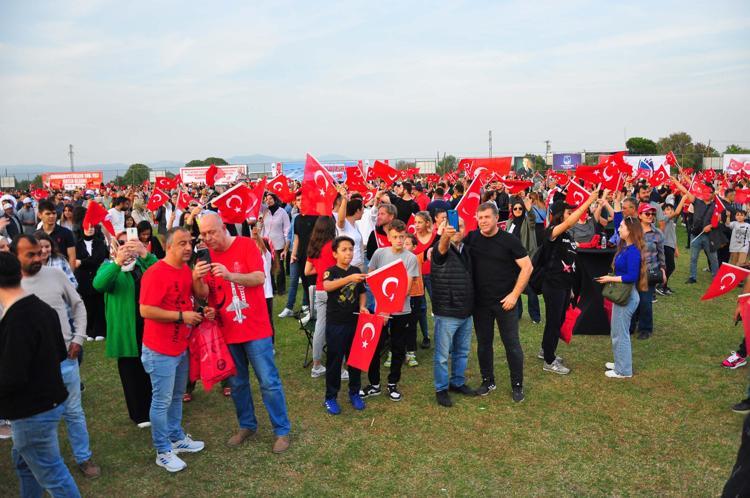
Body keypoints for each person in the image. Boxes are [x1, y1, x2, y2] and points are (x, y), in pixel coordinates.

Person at [193, 214, 291, 454]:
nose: (207, 238)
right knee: (237, 383)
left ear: (223, 228)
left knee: (268, 381)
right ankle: (247, 425)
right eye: (203, 234)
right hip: (227, 330)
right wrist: (196, 278)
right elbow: (205, 293)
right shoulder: (206, 256)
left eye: (211, 232)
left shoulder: (246, 245)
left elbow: (259, 277)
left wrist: (230, 276)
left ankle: (281, 429)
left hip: (255, 328)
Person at [12, 234, 101, 479]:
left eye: (39, 252)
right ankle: (43, 462)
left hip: (65, 359)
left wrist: (78, 338)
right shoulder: (8, 285)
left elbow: (78, 305)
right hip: (31, 368)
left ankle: (83, 457)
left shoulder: (56, 275)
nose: (38, 257)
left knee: (73, 412)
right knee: (38, 416)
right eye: (30, 254)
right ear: (15, 257)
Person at [0, 251, 81, 497]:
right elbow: (59, 352)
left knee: (53, 474)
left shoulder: (16, 320)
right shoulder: (42, 308)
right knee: (25, 464)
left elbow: (12, 377)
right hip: (49, 402)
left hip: (32, 411)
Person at [139, 227, 206, 473]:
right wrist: (181, 316)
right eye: (181, 243)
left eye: (190, 242)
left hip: (181, 345)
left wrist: (198, 286)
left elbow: (198, 296)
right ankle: (163, 450)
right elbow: (146, 310)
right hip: (160, 349)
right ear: (168, 246)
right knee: (161, 401)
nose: (188, 247)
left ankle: (176, 437)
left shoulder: (186, 269)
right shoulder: (155, 273)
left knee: (177, 396)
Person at [464, 202, 531, 402]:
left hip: (505, 302)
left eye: (487, 217)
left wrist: (514, 295)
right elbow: (453, 247)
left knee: (512, 345)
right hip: (480, 304)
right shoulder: (472, 238)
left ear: (496, 218)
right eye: (480, 217)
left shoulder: (509, 240)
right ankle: (488, 381)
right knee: (484, 344)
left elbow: (527, 267)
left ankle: (517, 385)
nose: (483, 221)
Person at [93, 233, 157, 427]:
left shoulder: (143, 264)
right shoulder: (109, 267)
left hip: (149, 325)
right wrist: (117, 263)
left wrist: (145, 254)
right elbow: (99, 284)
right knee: (131, 370)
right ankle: (140, 413)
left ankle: (157, 407)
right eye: (121, 243)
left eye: (130, 242)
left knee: (152, 367)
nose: (126, 246)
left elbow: (162, 273)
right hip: (125, 328)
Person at [539, 193, 600, 375]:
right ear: (559, 215)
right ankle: (549, 361)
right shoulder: (552, 232)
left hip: (565, 286)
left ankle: (546, 350)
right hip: (553, 285)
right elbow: (566, 224)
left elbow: (569, 263)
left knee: (557, 320)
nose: (572, 215)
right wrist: (588, 202)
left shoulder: (568, 235)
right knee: (554, 321)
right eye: (568, 213)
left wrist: (571, 288)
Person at [360, 220, 419, 402]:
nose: (399, 240)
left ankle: (393, 383)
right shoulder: (379, 254)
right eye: (395, 237)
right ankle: (374, 384)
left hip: (402, 311)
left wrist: (388, 308)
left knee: (398, 348)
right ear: (389, 237)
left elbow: (406, 289)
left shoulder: (410, 258)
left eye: (402, 237)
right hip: (380, 312)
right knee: (375, 347)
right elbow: (371, 278)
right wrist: (383, 308)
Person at [431, 218, 477, 407]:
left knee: (462, 351)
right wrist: (445, 236)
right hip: (447, 312)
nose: (457, 229)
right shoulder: (440, 248)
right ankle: (441, 389)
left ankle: (457, 382)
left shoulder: (467, 249)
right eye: (452, 226)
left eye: (460, 226)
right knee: (442, 356)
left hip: (466, 311)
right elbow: (441, 248)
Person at [321, 236, 368, 415]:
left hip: (354, 323)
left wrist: (362, 306)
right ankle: (330, 397)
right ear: (335, 254)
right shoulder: (331, 271)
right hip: (336, 324)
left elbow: (362, 292)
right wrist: (349, 278)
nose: (348, 252)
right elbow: (327, 286)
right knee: (335, 360)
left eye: (351, 249)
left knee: (355, 360)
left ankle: (354, 392)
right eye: (344, 249)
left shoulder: (356, 270)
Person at [596, 217, 647, 378]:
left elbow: (631, 276)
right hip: (624, 296)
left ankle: (623, 370)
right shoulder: (626, 247)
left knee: (621, 333)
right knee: (617, 332)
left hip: (627, 297)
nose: (618, 229)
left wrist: (610, 278)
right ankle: (620, 363)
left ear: (630, 230)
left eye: (622, 227)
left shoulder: (633, 251)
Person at [304, 216, 338, 378]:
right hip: (334, 288)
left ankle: (316, 365)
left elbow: (307, 271)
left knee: (320, 327)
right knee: (338, 327)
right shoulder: (334, 246)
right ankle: (338, 364)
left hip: (319, 289)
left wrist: (321, 270)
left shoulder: (314, 246)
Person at [631, 203, 666, 340]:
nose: (651, 216)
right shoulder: (633, 231)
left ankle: (645, 329)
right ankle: (630, 326)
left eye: (652, 214)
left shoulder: (658, 233)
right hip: (633, 270)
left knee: (645, 301)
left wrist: (663, 270)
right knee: (631, 300)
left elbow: (661, 254)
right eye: (647, 213)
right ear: (639, 215)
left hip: (650, 271)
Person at [505, 196, 541, 324]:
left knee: (530, 290)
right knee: (516, 288)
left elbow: (532, 218)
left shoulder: (528, 222)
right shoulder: (510, 223)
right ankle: (518, 314)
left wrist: (529, 209)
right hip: (512, 261)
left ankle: (535, 317)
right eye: (515, 208)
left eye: (520, 208)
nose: (518, 210)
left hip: (527, 260)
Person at [75, 224, 109, 340]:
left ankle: (100, 330)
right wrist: (85, 262)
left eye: (92, 227)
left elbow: (98, 259)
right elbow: (75, 260)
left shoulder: (99, 243)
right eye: (87, 227)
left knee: (99, 304)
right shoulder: (77, 244)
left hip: (97, 276)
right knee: (87, 305)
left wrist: (82, 262)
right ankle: (89, 331)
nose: (90, 229)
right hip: (83, 278)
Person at [687, 185, 719, 283]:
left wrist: (710, 226)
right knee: (693, 257)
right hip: (696, 235)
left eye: (709, 192)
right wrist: (676, 181)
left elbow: (719, 220)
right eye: (705, 191)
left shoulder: (716, 206)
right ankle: (692, 277)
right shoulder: (697, 202)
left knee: (713, 258)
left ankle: (716, 278)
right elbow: (686, 191)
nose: (707, 194)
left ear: (713, 194)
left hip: (709, 237)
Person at [262, 193, 290, 295]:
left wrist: (286, 245)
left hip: (278, 244)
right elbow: (262, 228)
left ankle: (281, 289)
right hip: (266, 243)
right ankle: (272, 288)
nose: (268, 201)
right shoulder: (265, 212)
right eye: (266, 199)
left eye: (270, 199)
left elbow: (287, 229)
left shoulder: (282, 212)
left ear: (275, 199)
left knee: (279, 267)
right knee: (268, 266)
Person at [37, 199, 76, 269]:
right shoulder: (36, 235)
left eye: (54, 213)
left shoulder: (66, 233)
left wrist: (70, 274)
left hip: (62, 271)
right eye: (48, 214)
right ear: (40, 215)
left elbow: (72, 257)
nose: (52, 216)